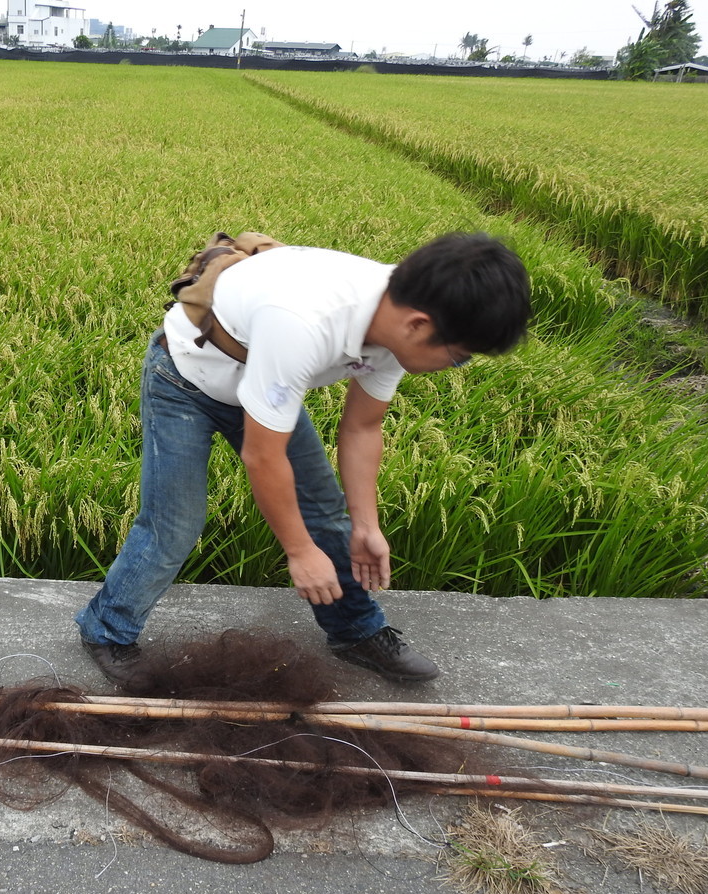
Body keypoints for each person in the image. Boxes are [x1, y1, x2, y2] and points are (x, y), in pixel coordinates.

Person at [75, 231, 532, 690]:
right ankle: (106, 630)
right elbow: (262, 455)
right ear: (418, 324)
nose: (455, 366)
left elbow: (362, 428)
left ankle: (355, 631)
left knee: (327, 513)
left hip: (263, 382)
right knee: (173, 525)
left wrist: (367, 526)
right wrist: (299, 552)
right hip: (184, 381)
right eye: (459, 357)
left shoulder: (400, 321)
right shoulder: (302, 323)